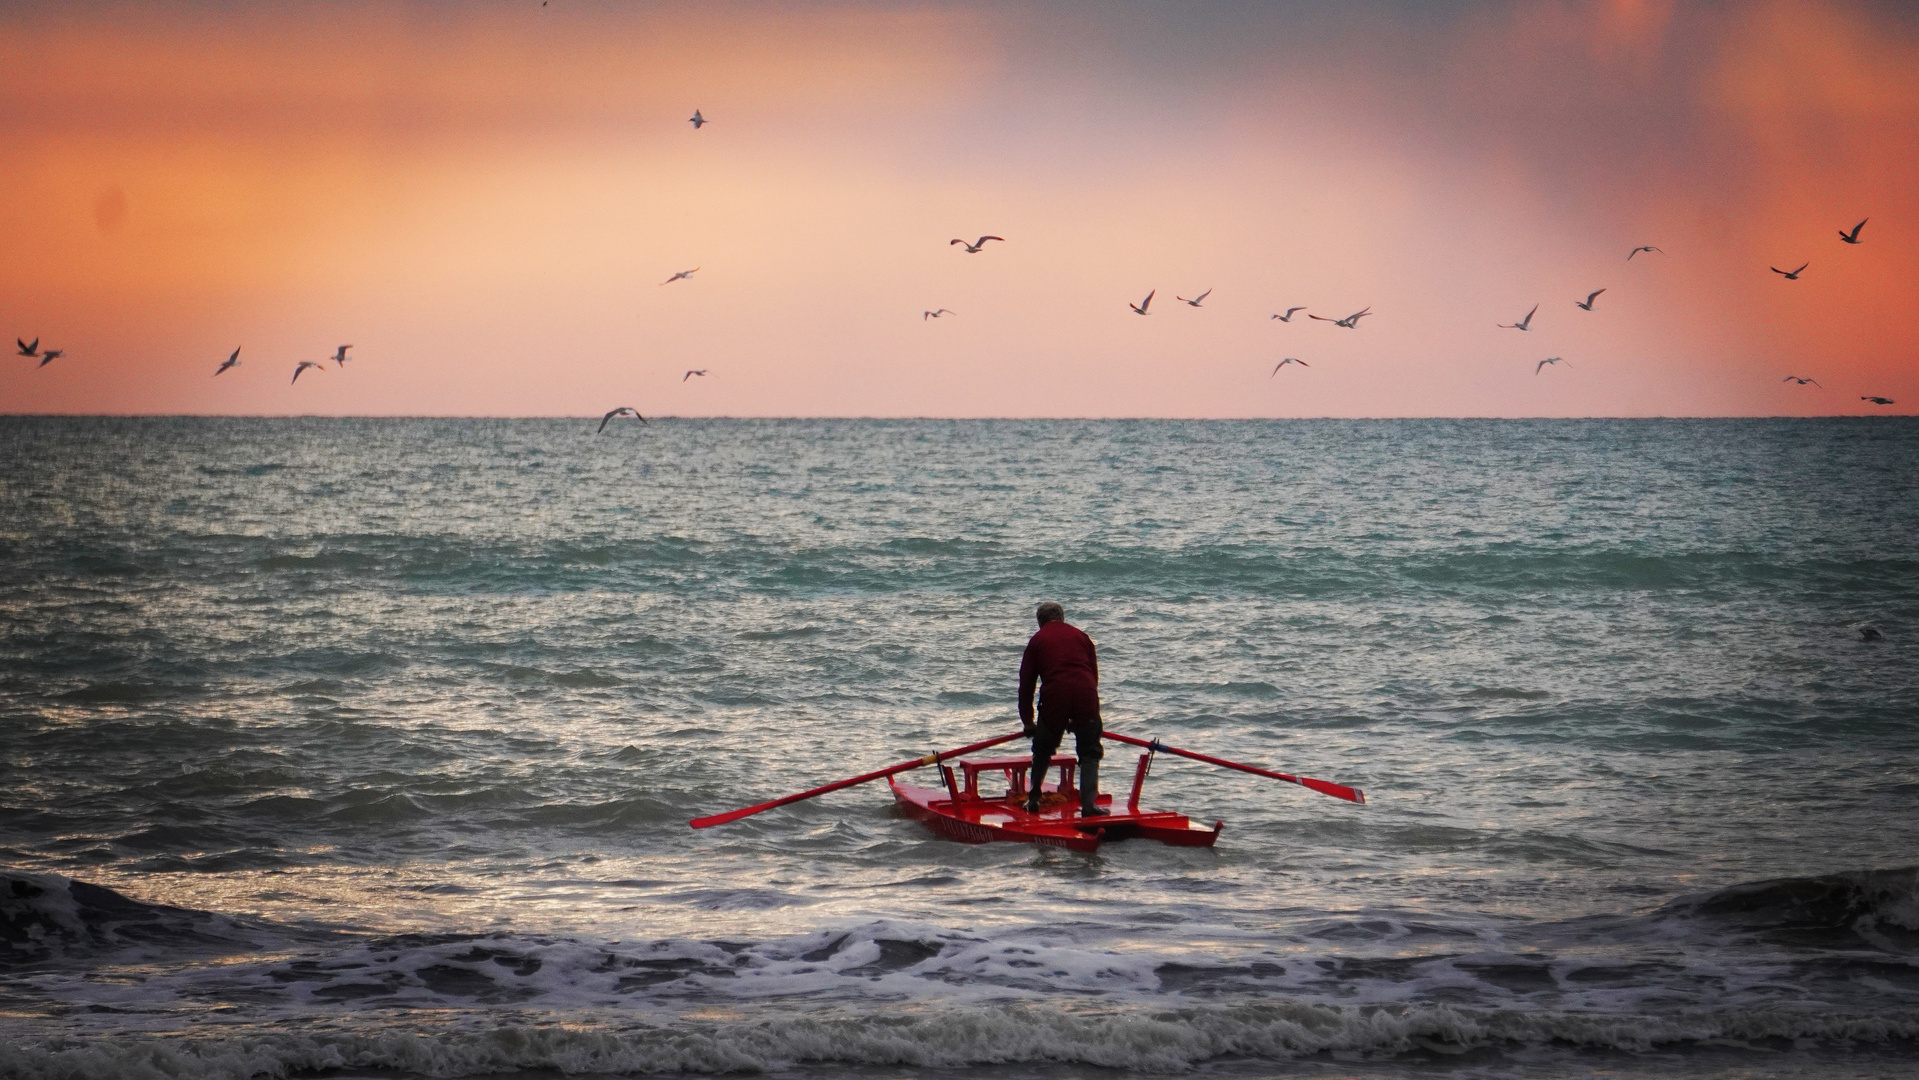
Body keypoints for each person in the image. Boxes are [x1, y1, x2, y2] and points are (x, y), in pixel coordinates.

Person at [1017, 601, 1106, 817]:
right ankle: (1089, 806)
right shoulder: (1082, 637)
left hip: (1056, 697)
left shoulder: (1037, 641)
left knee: (1043, 749)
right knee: (1090, 751)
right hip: (1086, 694)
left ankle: (1034, 800)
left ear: (1040, 622)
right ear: (1062, 617)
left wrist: (1028, 722)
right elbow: (1093, 675)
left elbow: (1026, 684)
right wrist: (1082, 715)